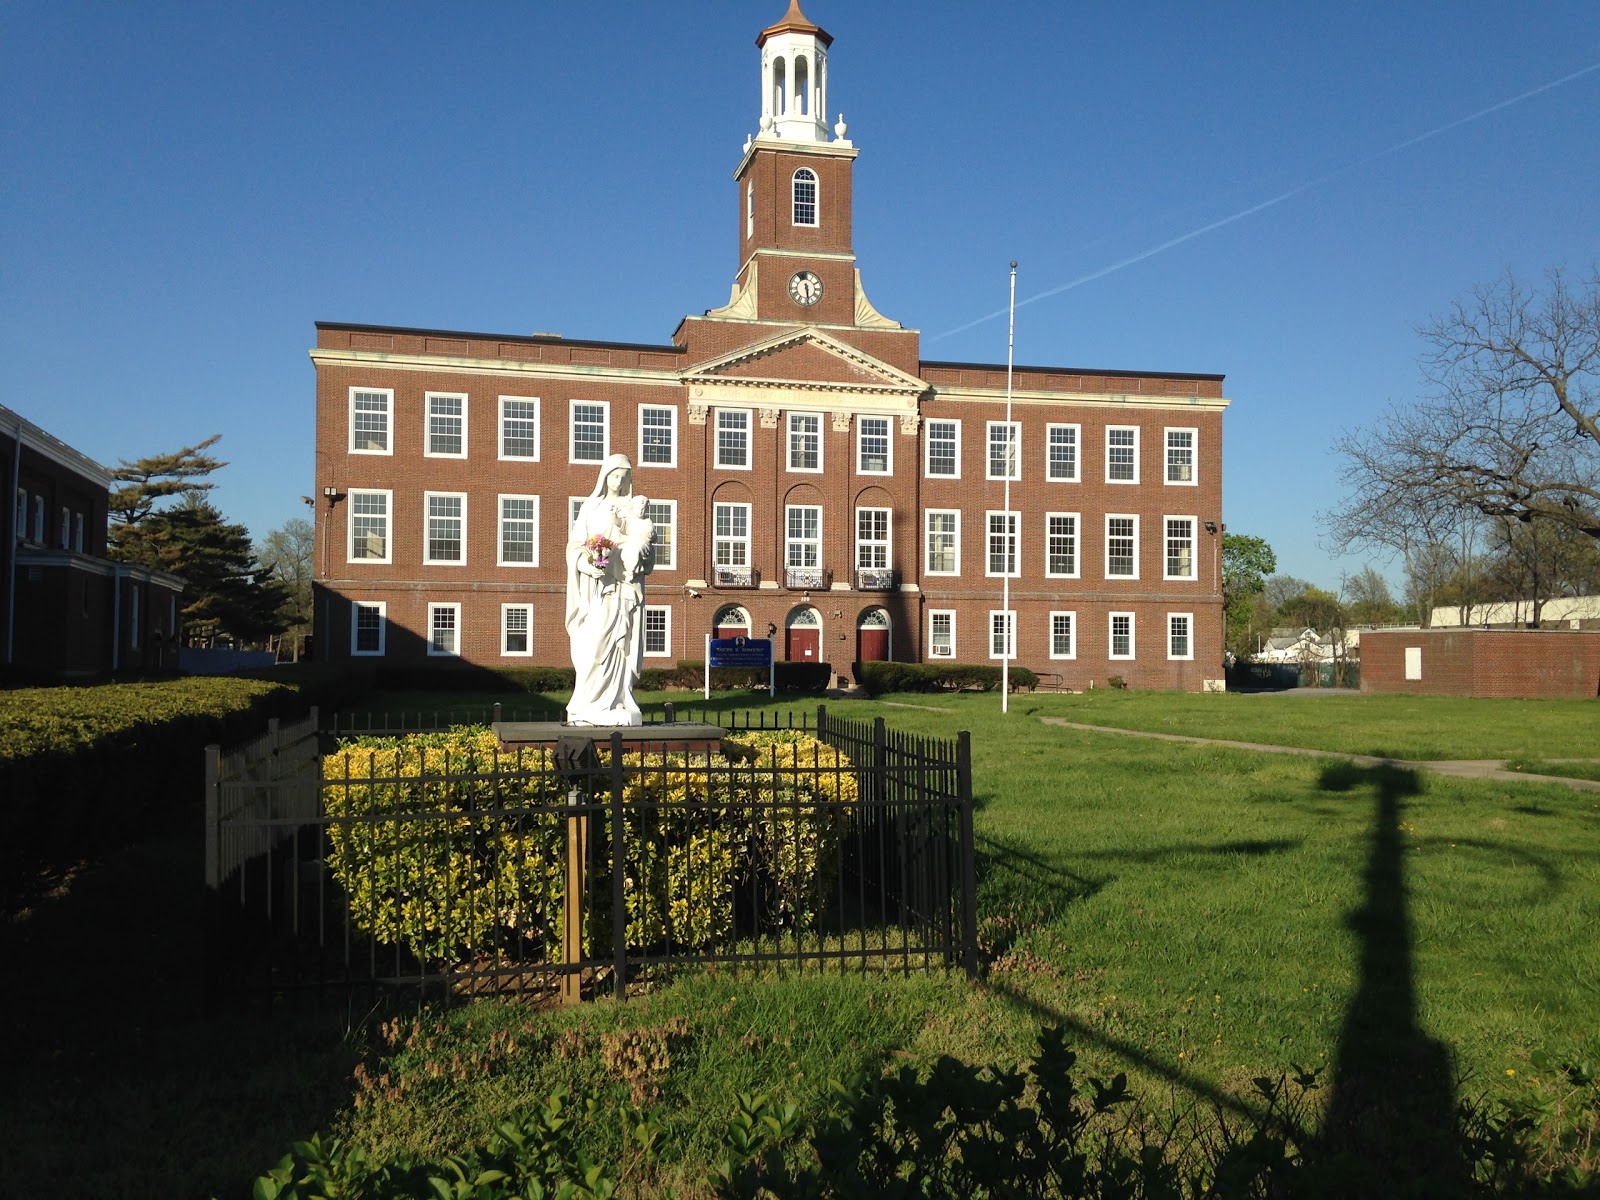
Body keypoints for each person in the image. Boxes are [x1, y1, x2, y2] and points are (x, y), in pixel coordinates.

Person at [564, 454, 654, 725]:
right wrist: (587, 564)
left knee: (623, 645)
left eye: (624, 477)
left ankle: (620, 698)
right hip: (598, 586)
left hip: (626, 586)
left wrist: (641, 557)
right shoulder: (590, 507)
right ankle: (588, 702)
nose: (619, 481)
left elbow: (648, 546)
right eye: (614, 476)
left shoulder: (634, 508)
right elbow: (575, 545)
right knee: (596, 642)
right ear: (605, 477)